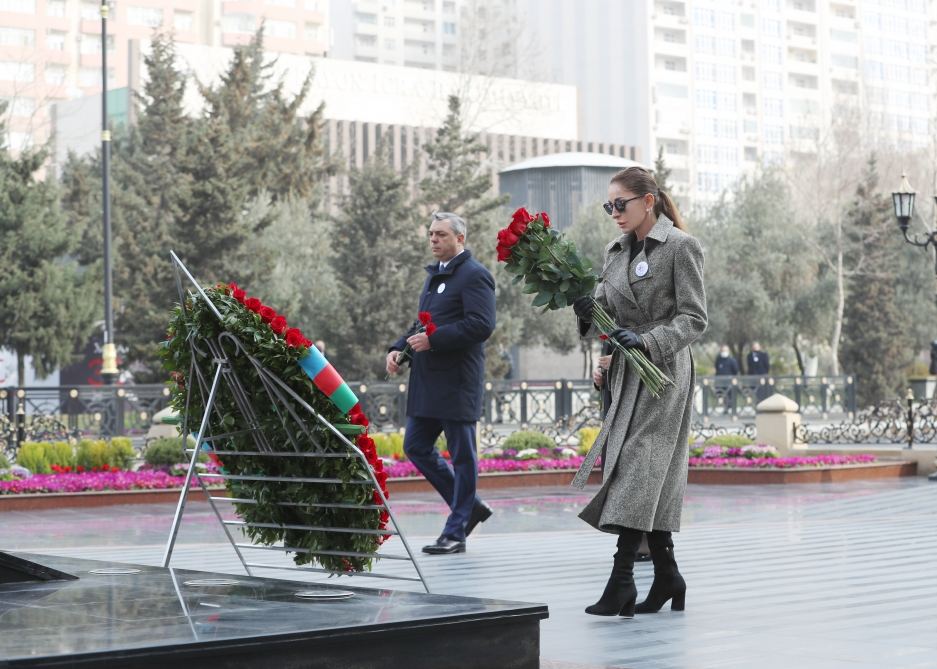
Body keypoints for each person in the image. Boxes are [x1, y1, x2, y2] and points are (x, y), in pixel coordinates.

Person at [571, 166, 707, 617]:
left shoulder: (681, 248)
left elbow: (694, 318)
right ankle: (668, 576)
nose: (614, 212)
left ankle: (622, 580)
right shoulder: (615, 252)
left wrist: (648, 341)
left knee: (639, 463)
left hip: (664, 372)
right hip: (627, 371)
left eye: (620, 203)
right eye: (609, 205)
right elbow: (606, 310)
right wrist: (586, 310)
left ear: (648, 201)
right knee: (645, 469)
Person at [386, 212, 496, 555]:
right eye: (431, 234)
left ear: (460, 238)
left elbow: (481, 325)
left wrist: (434, 341)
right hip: (428, 381)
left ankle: (456, 530)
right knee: (416, 446)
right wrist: (398, 348)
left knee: (463, 456)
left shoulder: (475, 275)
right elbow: (422, 324)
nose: (433, 239)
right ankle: (469, 507)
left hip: (458, 382)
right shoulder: (435, 277)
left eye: (441, 234)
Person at [593, 342, 651, 563]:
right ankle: (630, 539)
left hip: (639, 407)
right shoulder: (612, 321)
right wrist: (600, 377)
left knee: (637, 470)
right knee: (619, 472)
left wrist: (618, 363)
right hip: (615, 407)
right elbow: (608, 358)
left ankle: (644, 541)